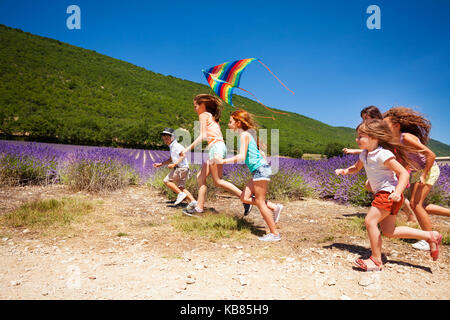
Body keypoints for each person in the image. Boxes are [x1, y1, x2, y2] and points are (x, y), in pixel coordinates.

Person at [335, 119, 442, 271]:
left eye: (360, 136)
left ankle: (376, 260)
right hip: (385, 194)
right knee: (389, 232)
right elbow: (356, 168)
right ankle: (431, 236)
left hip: (389, 193)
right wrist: (346, 171)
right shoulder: (364, 154)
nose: (356, 139)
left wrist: (398, 192)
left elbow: (403, 173)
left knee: (370, 221)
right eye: (357, 136)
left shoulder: (383, 154)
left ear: (374, 137)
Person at [383, 107, 450, 251]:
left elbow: (431, 155)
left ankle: (429, 239)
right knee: (419, 206)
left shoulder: (406, 137)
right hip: (417, 171)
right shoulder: (396, 141)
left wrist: (424, 174)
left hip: (429, 169)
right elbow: (407, 160)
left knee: (416, 205)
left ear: (396, 126)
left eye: (385, 125)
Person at [212, 109, 284, 241]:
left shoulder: (244, 135)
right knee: (244, 197)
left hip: (260, 170)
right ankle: (274, 207)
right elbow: (257, 153)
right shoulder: (246, 135)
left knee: (260, 202)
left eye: (230, 122)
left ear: (238, 123)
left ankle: (274, 234)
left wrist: (222, 161)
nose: (228, 124)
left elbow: (241, 156)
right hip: (259, 170)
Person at [180, 94, 251, 216]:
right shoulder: (211, 116)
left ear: (203, 105)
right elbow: (212, 136)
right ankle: (199, 208)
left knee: (217, 181)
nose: (195, 108)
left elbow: (203, 136)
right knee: (200, 177)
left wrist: (187, 149)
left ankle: (246, 198)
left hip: (217, 148)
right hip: (216, 147)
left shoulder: (203, 115)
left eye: (195, 106)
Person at [152, 128, 196, 207]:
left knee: (167, 181)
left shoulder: (175, 146)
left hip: (181, 168)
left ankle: (180, 194)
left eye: (166, 138)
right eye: (164, 139)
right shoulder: (172, 146)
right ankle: (193, 202)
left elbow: (183, 156)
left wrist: (174, 164)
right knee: (181, 187)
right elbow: (171, 159)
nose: (165, 140)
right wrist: (160, 164)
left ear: (172, 137)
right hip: (184, 168)